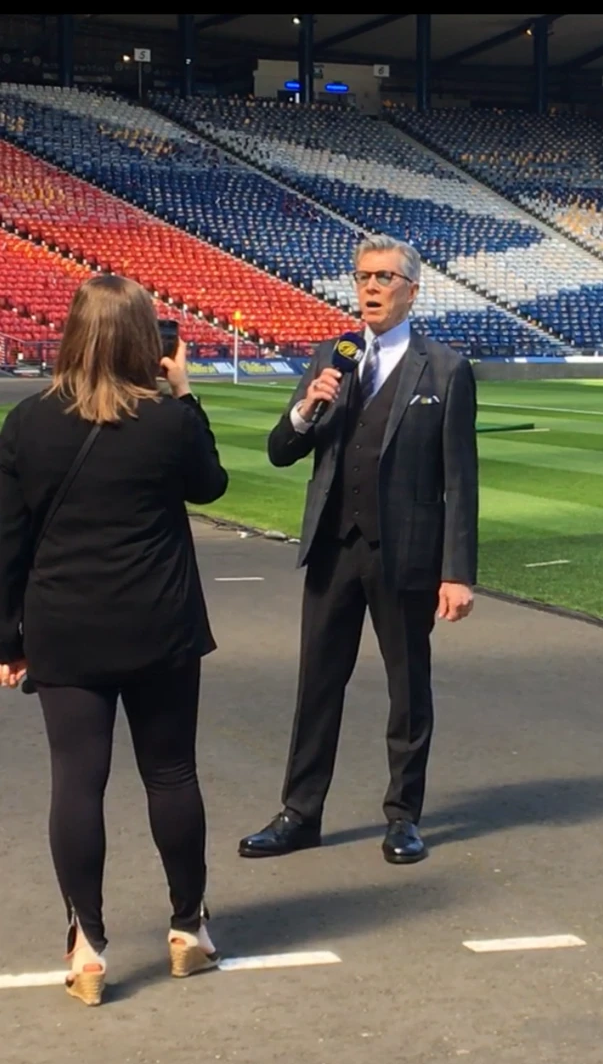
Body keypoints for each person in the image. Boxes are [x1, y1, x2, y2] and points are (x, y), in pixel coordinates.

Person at [0, 275, 228, 1006]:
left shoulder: (27, 422)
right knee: (170, 774)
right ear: (144, 341)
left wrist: (8, 639)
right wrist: (186, 392)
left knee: (77, 780)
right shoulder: (170, 420)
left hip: (66, 624)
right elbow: (211, 486)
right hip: (159, 622)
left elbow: (7, 543)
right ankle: (188, 928)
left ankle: (88, 945)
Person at [239, 236, 478, 866]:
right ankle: (299, 812)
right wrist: (306, 408)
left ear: (411, 290)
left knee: (408, 689)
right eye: (362, 277)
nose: (369, 288)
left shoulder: (446, 369)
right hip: (332, 548)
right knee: (317, 684)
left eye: (383, 278)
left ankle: (404, 816)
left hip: (407, 553)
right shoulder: (332, 357)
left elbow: (460, 479)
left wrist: (457, 572)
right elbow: (280, 451)